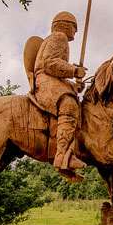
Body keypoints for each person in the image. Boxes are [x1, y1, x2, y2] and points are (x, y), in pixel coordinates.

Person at [32, 11, 88, 179]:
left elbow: (57, 72)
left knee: (72, 96)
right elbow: (50, 64)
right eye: (74, 28)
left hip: (51, 80)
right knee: (69, 104)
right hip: (44, 79)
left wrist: (74, 85)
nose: (75, 33)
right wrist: (74, 70)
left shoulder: (56, 38)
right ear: (65, 25)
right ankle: (62, 155)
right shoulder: (59, 37)